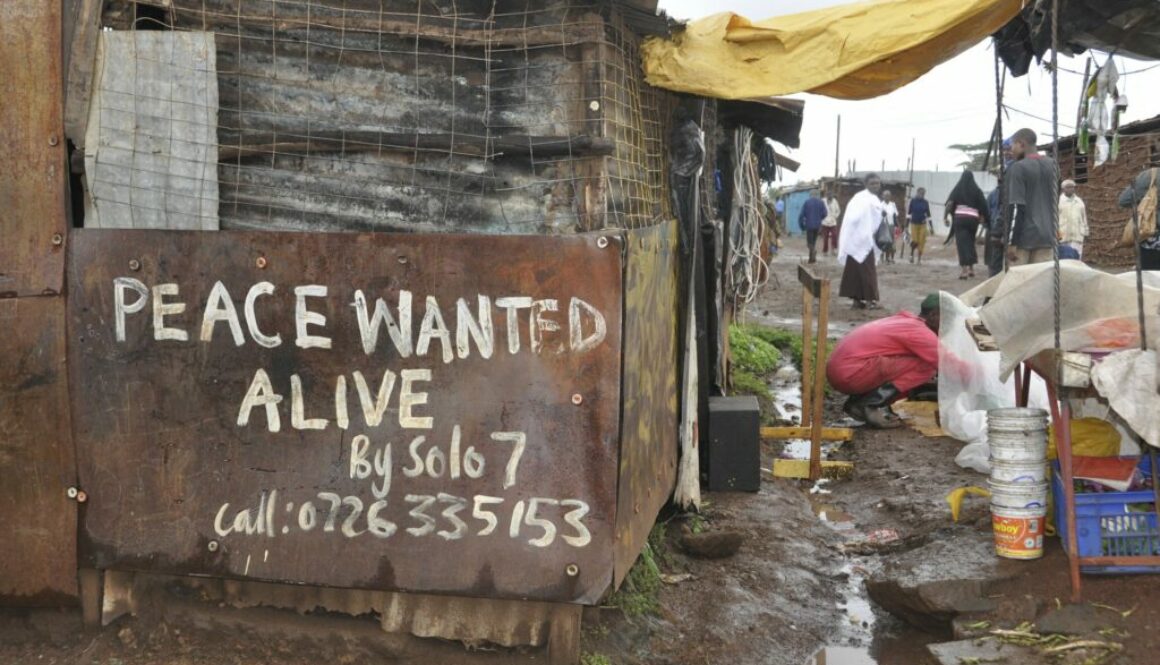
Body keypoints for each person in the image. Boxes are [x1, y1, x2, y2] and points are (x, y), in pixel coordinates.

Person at [826, 294, 944, 428]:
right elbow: (947, 364)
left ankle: (857, 403)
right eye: (946, 318)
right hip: (850, 373)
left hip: (841, 369)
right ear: (934, 315)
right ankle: (870, 404)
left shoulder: (906, 321)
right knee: (927, 367)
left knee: (915, 363)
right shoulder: (921, 333)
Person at [1004, 128, 1059, 267]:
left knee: (1018, 286)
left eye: (1013, 146)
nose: (1012, 150)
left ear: (1021, 144)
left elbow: (1017, 207)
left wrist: (1012, 242)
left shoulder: (1018, 168)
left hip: (1023, 240)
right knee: (1041, 285)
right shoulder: (1053, 165)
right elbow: (1055, 202)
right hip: (1047, 238)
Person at [837, 173, 883, 310]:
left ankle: (857, 301)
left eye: (877, 183)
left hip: (864, 239)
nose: (876, 186)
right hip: (859, 240)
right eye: (872, 183)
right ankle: (869, 301)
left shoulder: (872, 199)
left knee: (857, 271)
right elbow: (852, 218)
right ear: (866, 184)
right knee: (864, 271)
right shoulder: (861, 199)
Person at [945, 171, 990, 279]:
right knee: (970, 243)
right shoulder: (977, 190)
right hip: (972, 220)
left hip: (959, 220)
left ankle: (964, 270)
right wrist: (984, 217)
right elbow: (984, 205)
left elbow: (950, 203)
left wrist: (945, 217)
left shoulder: (958, 189)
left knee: (961, 245)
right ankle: (971, 269)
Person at [1118, 166, 1160, 270]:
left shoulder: (1151, 175)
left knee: (1150, 283)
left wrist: (1147, 200)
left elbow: (1124, 200)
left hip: (1152, 240)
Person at [1058, 179, 1089, 259]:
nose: (1070, 189)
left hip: (1077, 234)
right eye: (1067, 187)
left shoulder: (1079, 201)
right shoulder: (1058, 201)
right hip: (1063, 235)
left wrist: (1086, 232)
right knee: (1064, 258)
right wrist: (1056, 234)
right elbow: (1055, 219)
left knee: (1077, 257)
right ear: (1063, 189)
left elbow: (1083, 217)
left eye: (1072, 187)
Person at [799, 188, 828, 264]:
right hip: (818, 226)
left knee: (809, 243)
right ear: (817, 195)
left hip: (809, 225)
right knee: (813, 242)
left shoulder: (807, 202)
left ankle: (813, 252)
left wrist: (802, 226)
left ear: (810, 195)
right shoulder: (821, 202)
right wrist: (819, 218)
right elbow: (825, 213)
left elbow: (801, 215)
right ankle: (812, 259)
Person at [907, 187, 933, 264]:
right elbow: (909, 214)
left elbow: (929, 215)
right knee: (915, 241)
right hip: (914, 224)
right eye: (921, 193)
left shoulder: (925, 202)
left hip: (923, 224)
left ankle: (919, 259)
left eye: (923, 194)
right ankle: (911, 254)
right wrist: (906, 226)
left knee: (921, 242)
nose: (922, 195)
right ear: (917, 193)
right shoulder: (913, 201)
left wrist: (931, 227)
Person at [881, 190, 899, 264]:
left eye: (888, 195)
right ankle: (883, 257)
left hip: (891, 225)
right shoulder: (880, 205)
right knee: (885, 242)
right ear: (883, 196)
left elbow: (895, 215)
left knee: (892, 242)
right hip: (884, 225)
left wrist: (897, 226)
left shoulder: (893, 204)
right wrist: (882, 214)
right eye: (885, 195)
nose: (887, 197)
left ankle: (890, 258)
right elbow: (878, 216)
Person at [822, 191, 842, 256]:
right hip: (825, 222)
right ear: (826, 195)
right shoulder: (823, 201)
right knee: (825, 237)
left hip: (833, 222)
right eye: (829, 195)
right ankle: (825, 251)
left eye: (831, 196)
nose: (830, 197)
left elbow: (838, 211)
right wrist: (822, 218)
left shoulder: (835, 201)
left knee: (834, 236)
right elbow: (820, 211)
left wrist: (835, 217)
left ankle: (834, 250)